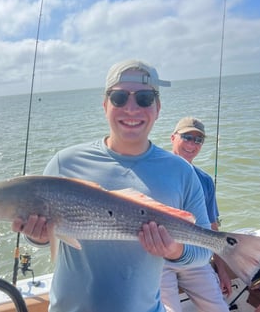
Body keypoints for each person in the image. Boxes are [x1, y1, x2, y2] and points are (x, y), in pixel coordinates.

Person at [12, 59, 212, 312]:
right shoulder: (65, 162)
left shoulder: (181, 171)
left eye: (144, 98)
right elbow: (44, 236)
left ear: (158, 107)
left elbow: (205, 249)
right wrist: (36, 235)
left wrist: (174, 250)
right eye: (119, 98)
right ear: (105, 105)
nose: (131, 108)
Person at [160, 117, 232, 312]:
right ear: (173, 137)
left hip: (195, 258)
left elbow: (212, 228)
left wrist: (222, 269)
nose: (192, 144)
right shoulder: (155, 171)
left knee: (219, 308)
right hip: (159, 259)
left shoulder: (205, 180)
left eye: (198, 140)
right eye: (187, 137)